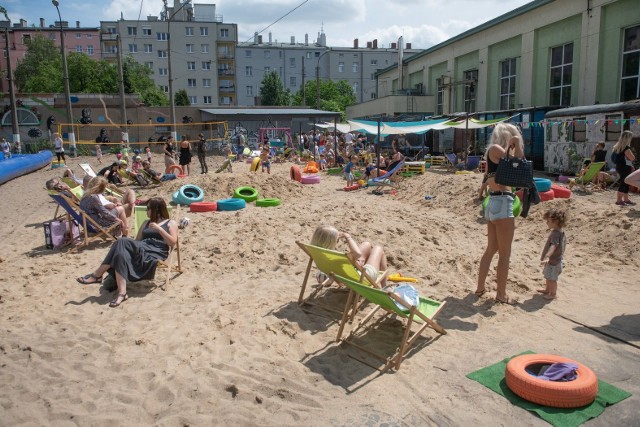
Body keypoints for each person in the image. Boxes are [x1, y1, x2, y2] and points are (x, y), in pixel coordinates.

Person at [76, 197, 178, 308]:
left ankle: (97, 275)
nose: (146, 211)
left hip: (155, 252)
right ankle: (122, 293)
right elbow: (137, 242)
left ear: (156, 209)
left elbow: (172, 243)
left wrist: (159, 229)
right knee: (121, 250)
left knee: (122, 241)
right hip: (141, 249)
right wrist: (129, 248)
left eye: (148, 208)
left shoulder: (170, 223)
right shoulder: (145, 223)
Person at [475, 122, 525, 305]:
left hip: (494, 201)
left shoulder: (493, 153)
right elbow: (520, 164)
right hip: (503, 201)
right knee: (504, 253)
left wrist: (515, 146)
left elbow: (514, 165)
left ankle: (480, 287)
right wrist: (517, 143)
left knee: (491, 249)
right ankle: (501, 294)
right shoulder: (496, 150)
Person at [310, 225, 387, 287]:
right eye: (337, 240)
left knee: (366, 245)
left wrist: (355, 264)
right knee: (379, 249)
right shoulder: (336, 257)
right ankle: (384, 287)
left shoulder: (315, 251)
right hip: (361, 279)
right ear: (331, 242)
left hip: (349, 275)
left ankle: (363, 264)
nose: (337, 242)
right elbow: (357, 254)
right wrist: (348, 237)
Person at [538, 209, 567, 301]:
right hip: (556, 259)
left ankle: (553, 294)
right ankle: (547, 289)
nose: (547, 223)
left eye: (548, 221)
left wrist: (547, 256)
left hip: (553, 261)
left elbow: (554, 246)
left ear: (556, 221)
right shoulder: (561, 231)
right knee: (548, 276)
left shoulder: (555, 233)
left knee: (552, 279)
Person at [613, 130, 636, 206]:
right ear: (628, 138)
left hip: (620, 167)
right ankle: (619, 200)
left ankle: (625, 199)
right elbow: (632, 158)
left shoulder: (618, 146)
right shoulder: (626, 148)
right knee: (624, 183)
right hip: (625, 167)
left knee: (626, 182)